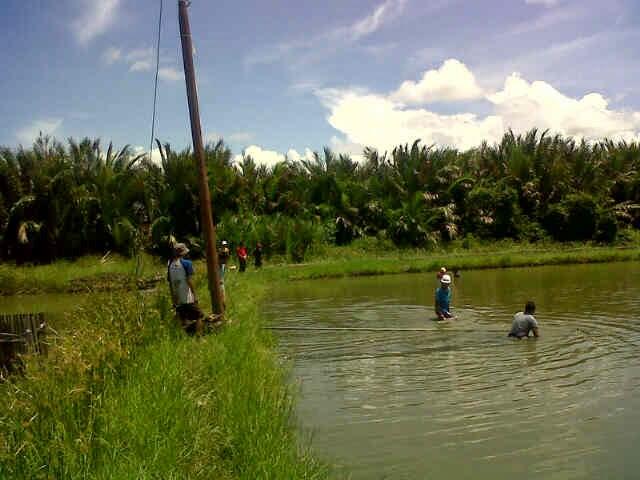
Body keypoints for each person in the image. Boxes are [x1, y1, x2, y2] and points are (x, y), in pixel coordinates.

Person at [167, 242, 203, 335]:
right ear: (183, 253)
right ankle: (199, 337)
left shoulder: (170, 266)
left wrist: (173, 298)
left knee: (183, 319)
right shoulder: (187, 263)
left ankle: (186, 336)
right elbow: (189, 281)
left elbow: (171, 284)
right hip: (188, 297)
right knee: (199, 315)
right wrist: (195, 295)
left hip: (178, 298)